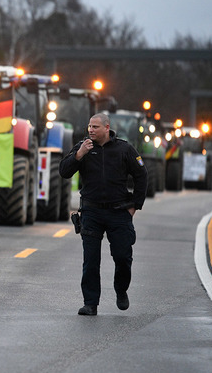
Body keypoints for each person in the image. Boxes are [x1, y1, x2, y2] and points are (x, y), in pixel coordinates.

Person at [59, 112, 148, 316]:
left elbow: (141, 174)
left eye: (95, 127)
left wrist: (136, 205)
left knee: (123, 257)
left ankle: (121, 290)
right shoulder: (83, 148)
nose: (90, 130)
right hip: (92, 211)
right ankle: (90, 303)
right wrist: (78, 155)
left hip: (119, 212)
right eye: (89, 126)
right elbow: (64, 171)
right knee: (91, 260)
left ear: (107, 128)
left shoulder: (124, 149)